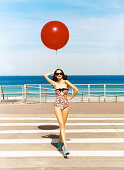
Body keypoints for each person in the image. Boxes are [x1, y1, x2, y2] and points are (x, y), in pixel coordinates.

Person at [44, 69, 79, 156]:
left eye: (60, 73)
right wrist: (53, 72)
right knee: (61, 125)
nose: (59, 75)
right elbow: (45, 75)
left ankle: (59, 143)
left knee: (63, 125)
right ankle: (65, 147)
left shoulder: (66, 82)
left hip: (65, 105)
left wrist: (70, 97)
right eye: (57, 74)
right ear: (55, 75)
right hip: (57, 105)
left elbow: (76, 90)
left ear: (63, 74)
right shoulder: (54, 83)